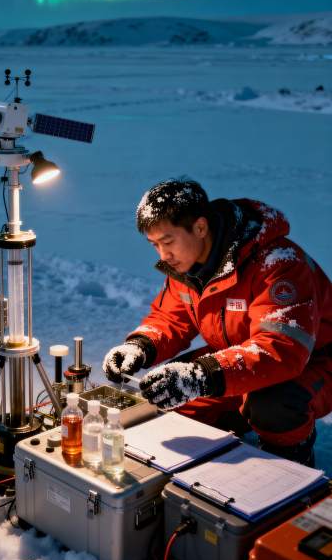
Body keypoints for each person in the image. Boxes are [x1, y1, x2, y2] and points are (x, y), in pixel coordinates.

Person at [103, 178, 332, 466]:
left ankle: (293, 460)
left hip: (315, 361)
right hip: (238, 356)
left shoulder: (277, 263)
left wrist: (203, 376)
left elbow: (282, 349)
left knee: (271, 405)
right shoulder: (187, 267)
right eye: (154, 245)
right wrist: (140, 346)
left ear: (200, 227)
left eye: (168, 241)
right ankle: (233, 424)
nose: (163, 255)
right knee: (170, 396)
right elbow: (169, 318)